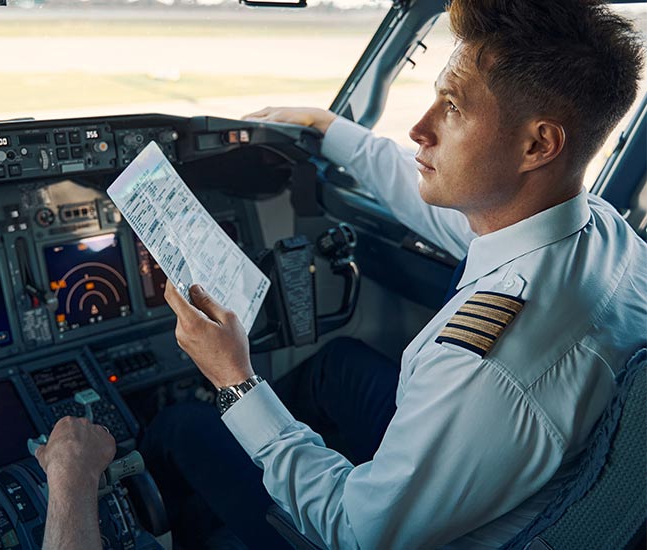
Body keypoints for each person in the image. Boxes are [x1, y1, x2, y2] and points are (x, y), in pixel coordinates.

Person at [36, 0, 646, 547]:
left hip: (370, 531)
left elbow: (356, 532)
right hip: (520, 468)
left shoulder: (488, 367)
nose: (419, 128)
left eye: (453, 106)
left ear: (539, 146)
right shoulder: (597, 226)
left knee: (185, 426)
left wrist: (235, 378)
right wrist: (331, 131)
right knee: (336, 368)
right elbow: (441, 206)